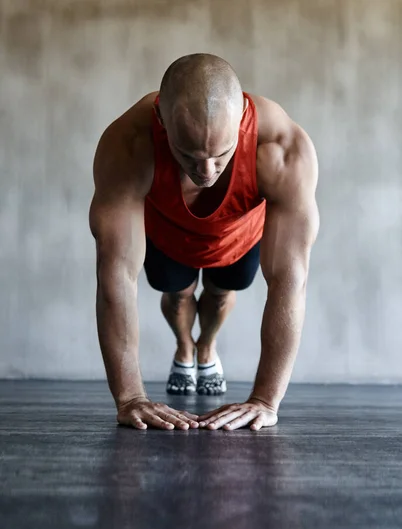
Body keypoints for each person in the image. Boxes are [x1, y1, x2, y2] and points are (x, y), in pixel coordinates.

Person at [89, 53, 319, 432]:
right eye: (189, 155)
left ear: (243, 115)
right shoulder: (129, 145)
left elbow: (290, 280)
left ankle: (205, 347)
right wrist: (130, 398)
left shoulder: (280, 148)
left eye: (222, 154)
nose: (206, 171)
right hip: (166, 233)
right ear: (161, 119)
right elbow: (115, 274)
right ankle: (184, 346)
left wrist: (265, 400)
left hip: (239, 236)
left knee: (219, 295)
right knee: (178, 295)